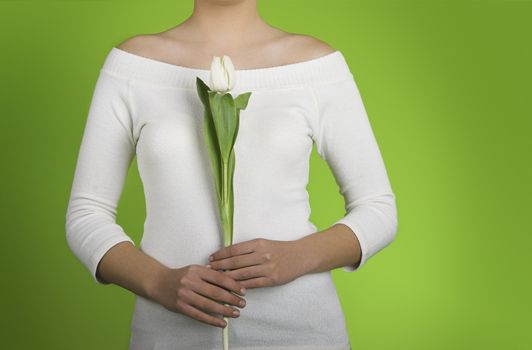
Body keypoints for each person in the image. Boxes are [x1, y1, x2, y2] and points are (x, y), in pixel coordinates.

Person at [65, 0, 398, 349]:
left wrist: (297, 256)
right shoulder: (133, 66)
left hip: (302, 333)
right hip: (167, 336)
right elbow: (86, 215)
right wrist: (159, 282)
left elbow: (378, 209)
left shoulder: (316, 66)